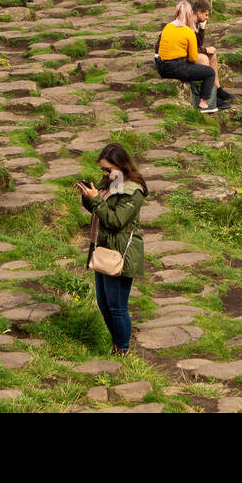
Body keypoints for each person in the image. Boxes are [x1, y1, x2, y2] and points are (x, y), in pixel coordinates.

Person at [76, 143, 148, 356]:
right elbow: (100, 211)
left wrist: (96, 200)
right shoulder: (114, 181)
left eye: (109, 169)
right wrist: (88, 196)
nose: (106, 174)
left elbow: (116, 221)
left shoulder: (133, 190)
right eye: (103, 170)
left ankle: (122, 350)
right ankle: (117, 345)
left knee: (117, 307)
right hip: (104, 248)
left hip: (120, 253)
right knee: (104, 304)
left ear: (121, 166)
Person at [154, 0, 217, 113]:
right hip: (176, 67)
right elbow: (193, 58)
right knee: (210, 72)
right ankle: (203, 103)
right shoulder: (188, 31)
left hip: (161, 68)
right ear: (189, 14)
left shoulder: (168, 26)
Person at [191, 0, 234, 106]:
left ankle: (217, 90)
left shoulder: (195, 23)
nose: (207, 18)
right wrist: (205, 49)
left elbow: (198, 44)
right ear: (199, 13)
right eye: (206, 15)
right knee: (205, 58)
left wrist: (202, 28)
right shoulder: (189, 24)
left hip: (189, 53)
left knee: (212, 55)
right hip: (183, 56)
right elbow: (190, 48)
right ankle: (209, 97)